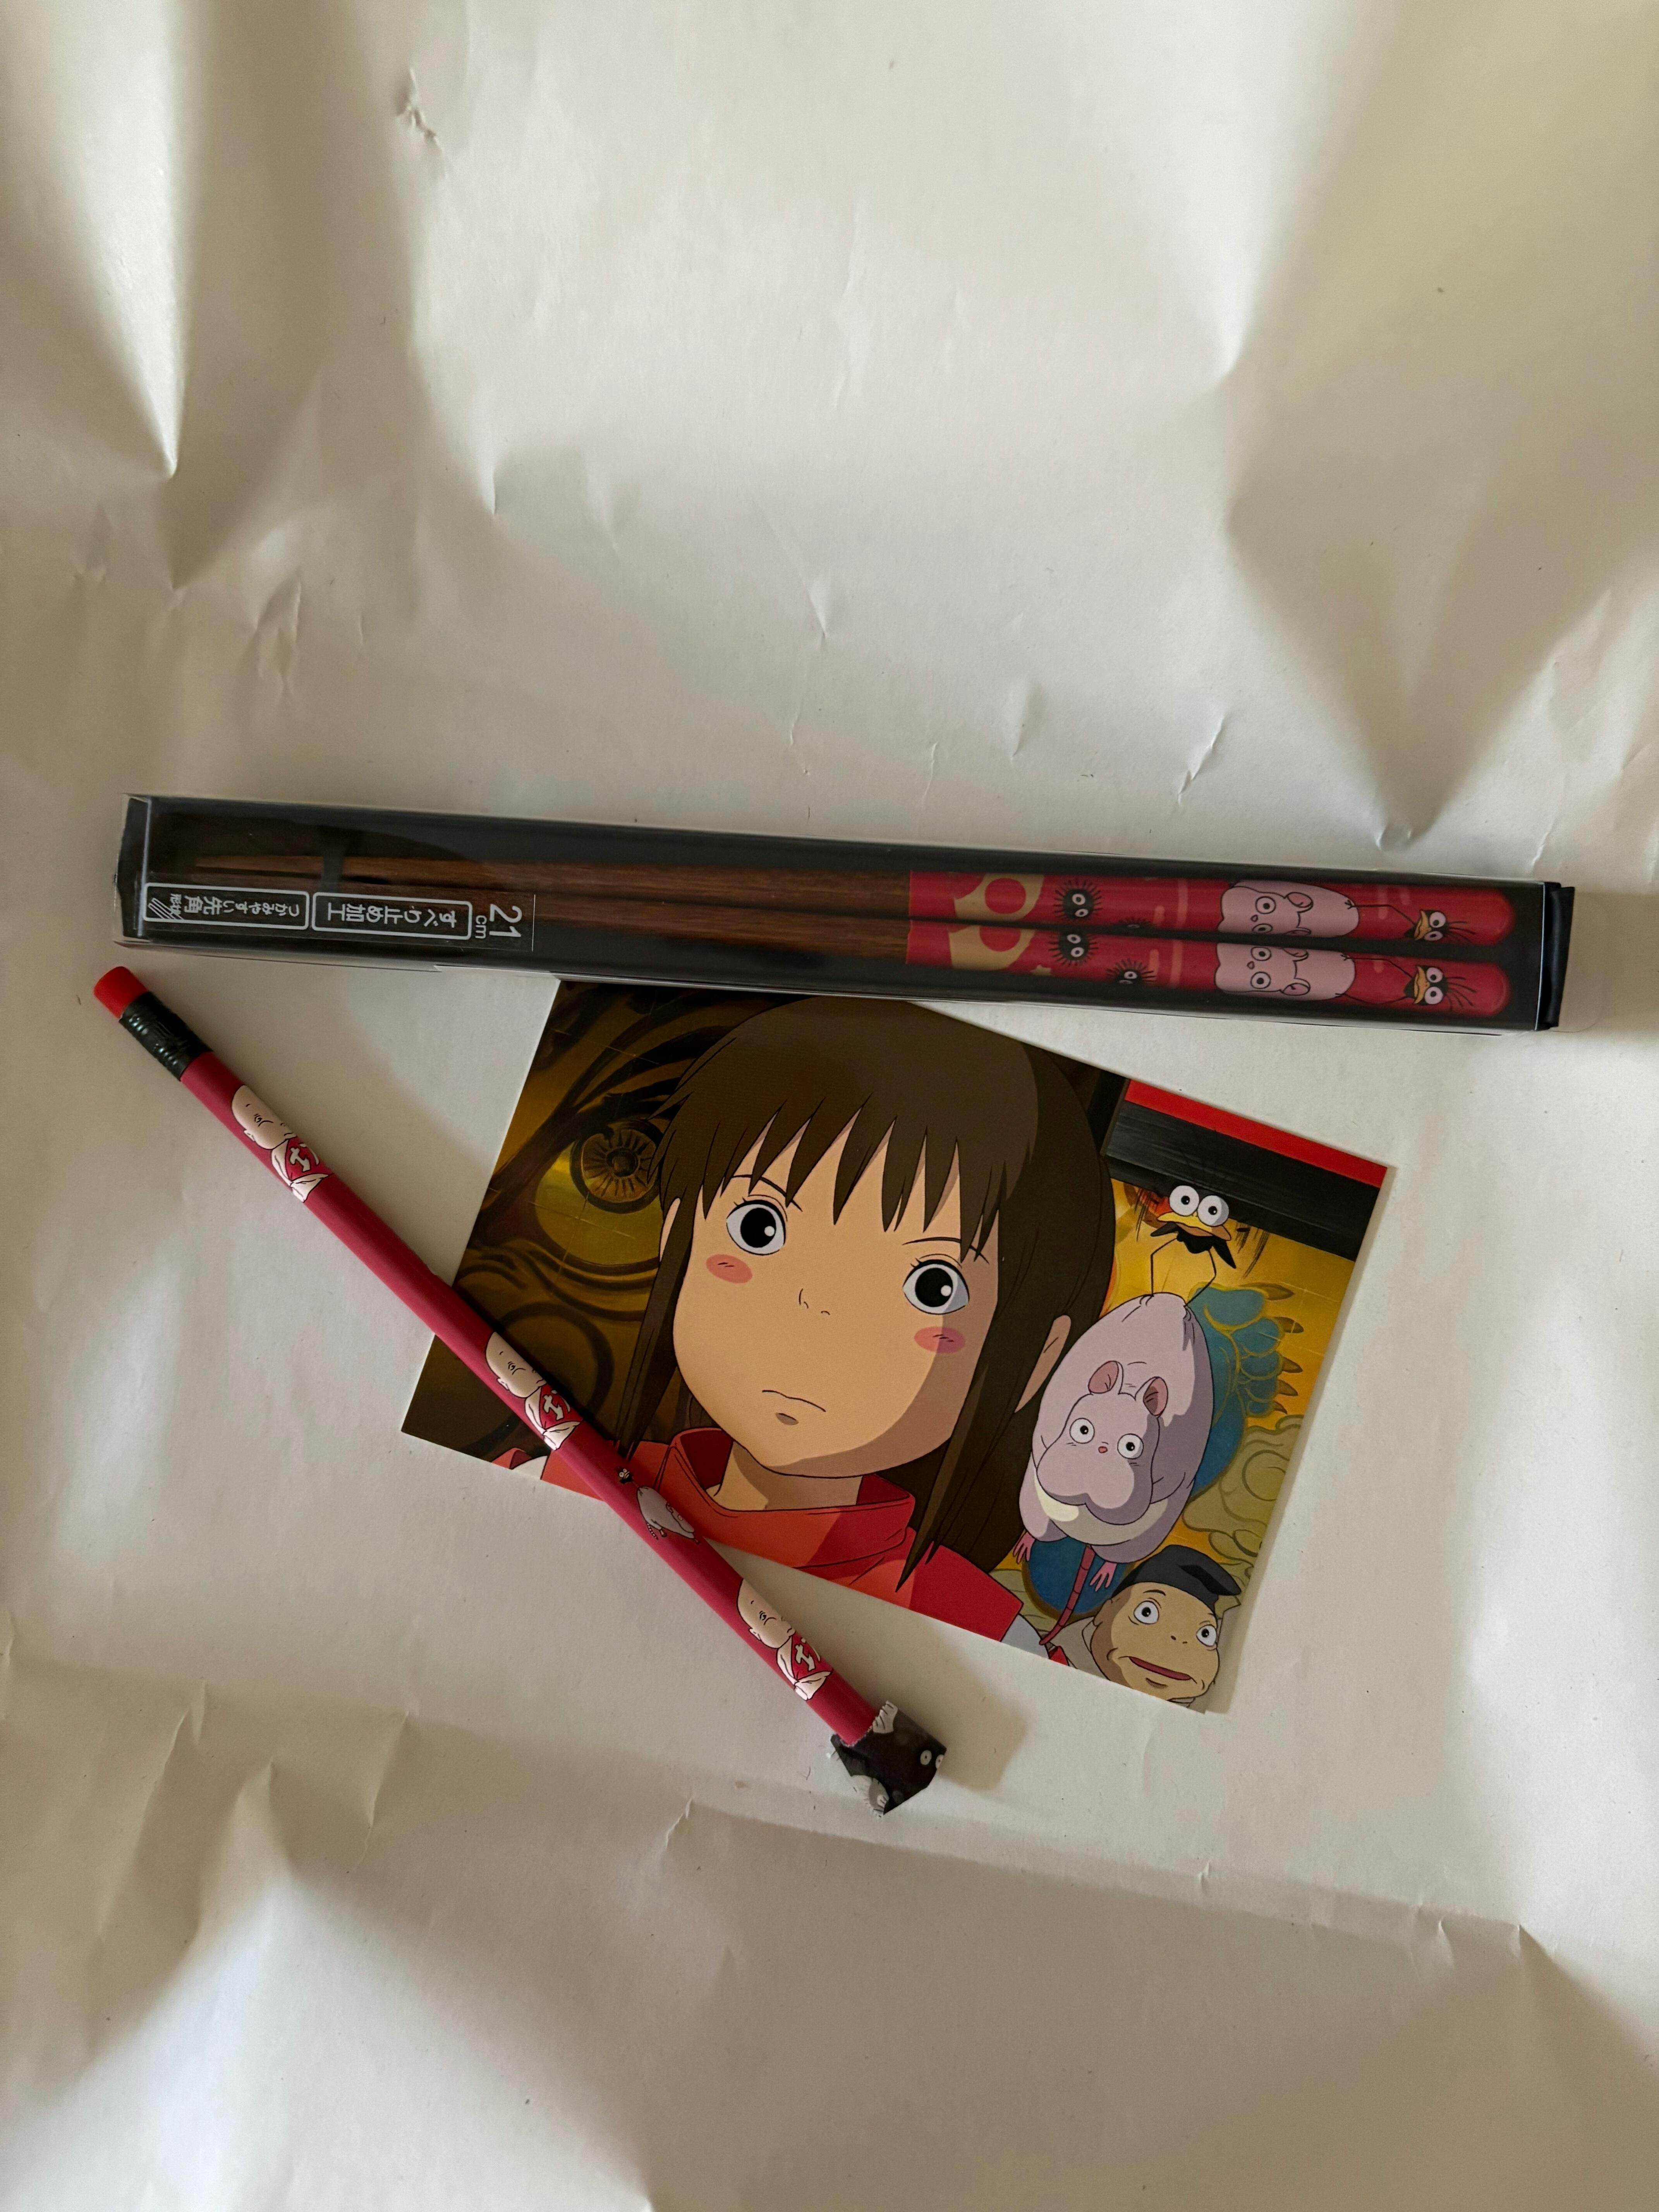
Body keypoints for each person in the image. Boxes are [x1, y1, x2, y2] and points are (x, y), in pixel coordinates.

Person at [598, 996, 1115, 1645]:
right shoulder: (564, 1477)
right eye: (759, 1227)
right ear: (678, 1230)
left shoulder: (981, 1631)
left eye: (933, 1285)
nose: (816, 1308)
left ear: (1035, 1360)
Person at [1048, 1546, 1239, 1703]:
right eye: (1147, 1613)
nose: (1175, 1642)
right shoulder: (1054, 1664)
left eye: (1206, 1634)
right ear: (1106, 1612)